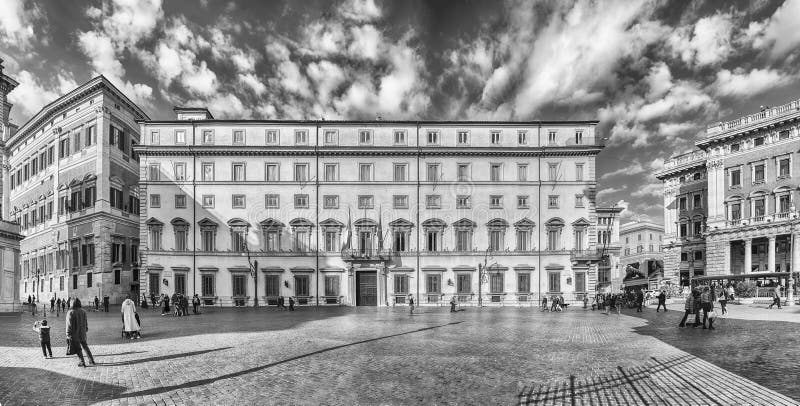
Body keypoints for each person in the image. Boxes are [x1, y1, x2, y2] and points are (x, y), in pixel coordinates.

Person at [65, 298, 95, 367]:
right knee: (85, 346)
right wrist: (86, 328)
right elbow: (85, 321)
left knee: (78, 348)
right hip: (82, 332)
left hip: (74, 333)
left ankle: (82, 361)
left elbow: (68, 324)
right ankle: (91, 360)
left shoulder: (70, 312)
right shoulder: (83, 311)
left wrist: (68, 333)